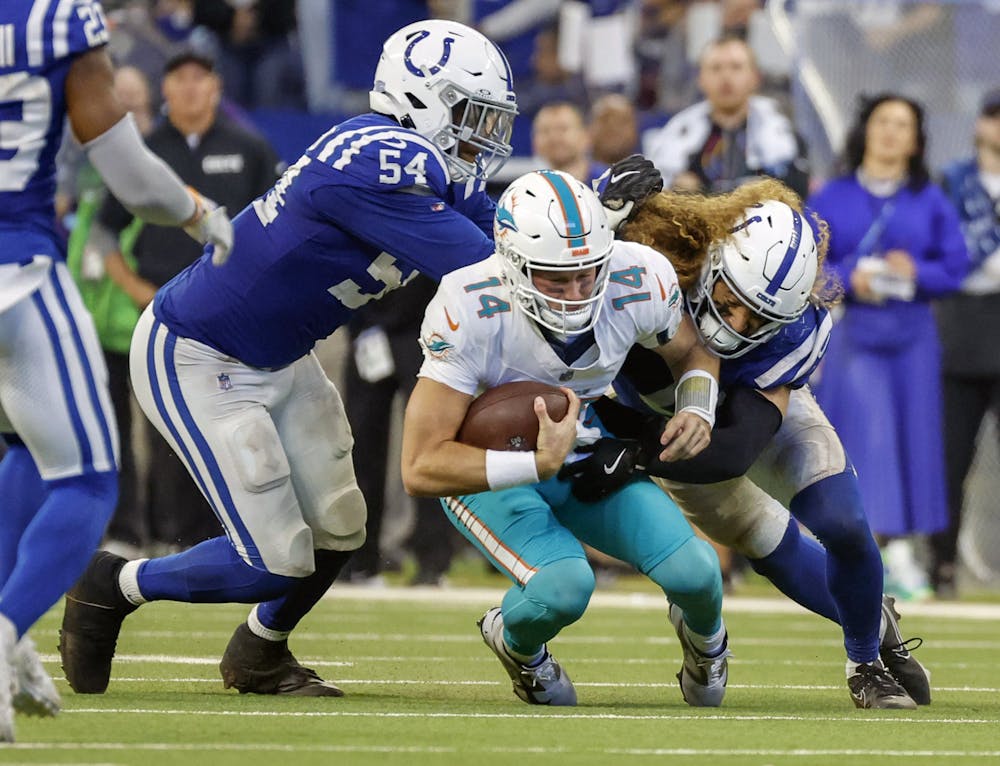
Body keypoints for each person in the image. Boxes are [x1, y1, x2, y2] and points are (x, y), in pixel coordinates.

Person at [58, 18, 518, 699]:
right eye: (473, 114)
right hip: (197, 350)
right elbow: (496, 268)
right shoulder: (382, 160)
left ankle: (260, 654)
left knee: (340, 530)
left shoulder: (422, 164)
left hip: (279, 354)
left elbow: (515, 238)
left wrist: (597, 215)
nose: (485, 134)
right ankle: (114, 584)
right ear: (422, 100)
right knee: (273, 561)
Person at [564, 171, 932, 708]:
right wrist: (604, 206)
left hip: (742, 412)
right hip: (658, 416)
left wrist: (637, 458)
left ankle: (865, 662)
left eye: (759, 317)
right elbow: (572, 247)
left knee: (844, 523)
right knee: (763, 540)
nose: (735, 322)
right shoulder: (663, 253)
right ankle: (874, 616)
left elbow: (736, 448)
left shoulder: (795, 331)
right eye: (731, 299)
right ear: (712, 261)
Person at [400, 169, 730, 708]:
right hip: (488, 469)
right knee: (564, 588)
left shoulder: (636, 277)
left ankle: (709, 644)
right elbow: (419, 467)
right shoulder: (468, 304)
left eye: (588, 273)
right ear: (513, 267)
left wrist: (697, 407)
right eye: (555, 279)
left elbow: (692, 351)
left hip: (579, 450)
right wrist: (533, 463)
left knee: (696, 572)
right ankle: (518, 646)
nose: (576, 294)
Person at [0, 0, 232, 742]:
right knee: (91, 479)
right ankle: (3, 633)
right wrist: (197, 210)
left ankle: (10, 636)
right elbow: (132, 178)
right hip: (15, 271)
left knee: (26, 449)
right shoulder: (52, 20)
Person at [98, 50, 281, 553]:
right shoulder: (146, 153)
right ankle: (165, 535)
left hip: (230, 316)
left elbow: (277, 228)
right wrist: (138, 292)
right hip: (161, 314)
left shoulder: (249, 148)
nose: (191, 88)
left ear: (217, 87)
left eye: (201, 78)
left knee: (230, 423)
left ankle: (228, 538)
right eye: (180, 78)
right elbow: (103, 234)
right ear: (166, 90)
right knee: (164, 426)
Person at [808, 93, 968, 601]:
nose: (892, 133)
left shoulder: (932, 199)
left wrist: (915, 272)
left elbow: (955, 267)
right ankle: (870, 548)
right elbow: (808, 270)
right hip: (858, 334)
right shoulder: (831, 196)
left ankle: (903, 550)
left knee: (915, 439)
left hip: (915, 335)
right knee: (867, 436)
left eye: (903, 124)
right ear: (865, 131)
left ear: (917, 139)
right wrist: (852, 280)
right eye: (883, 122)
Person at [341, 275, 457, 586]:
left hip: (426, 330)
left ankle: (433, 561)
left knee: (431, 448)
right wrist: (359, 322)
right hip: (367, 330)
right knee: (360, 449)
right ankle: (359, 561)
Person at [932, 88, 1000, 598]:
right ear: (980, 122)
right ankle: (944, 564)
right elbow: (942, 250)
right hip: (961, 329)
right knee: (952, 458)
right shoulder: (953, 180)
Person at [645, 34, 809, 197]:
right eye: (716, 68)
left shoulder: (785, 136)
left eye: (736, 67)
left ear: (755, 78)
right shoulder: (677, 135)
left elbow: (797, 193)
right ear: (700, 79)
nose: (726, 77)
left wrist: (702, 190)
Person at [531, 102, 606, 185]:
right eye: (545, 131)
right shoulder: (527, 189)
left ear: (585, 136)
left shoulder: (610, 184)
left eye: (563, 129)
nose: (554, 137)